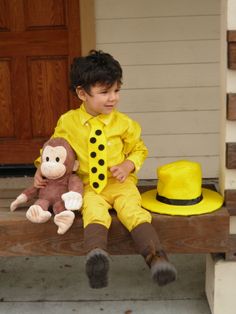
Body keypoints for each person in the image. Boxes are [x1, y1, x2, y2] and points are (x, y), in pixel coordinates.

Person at [34, 50, 177, 289]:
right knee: (94, 213)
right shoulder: (68, 122)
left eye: (116, 91)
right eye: (104, 92)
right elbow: (54, 149)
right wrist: (41, 167)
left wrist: (127, 165)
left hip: (121, 185)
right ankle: (97, 257)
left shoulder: (124, 124)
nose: (113, 98)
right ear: (82, 93)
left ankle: (156, 258)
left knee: (133, 211)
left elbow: (139, 150)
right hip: (88, 186)